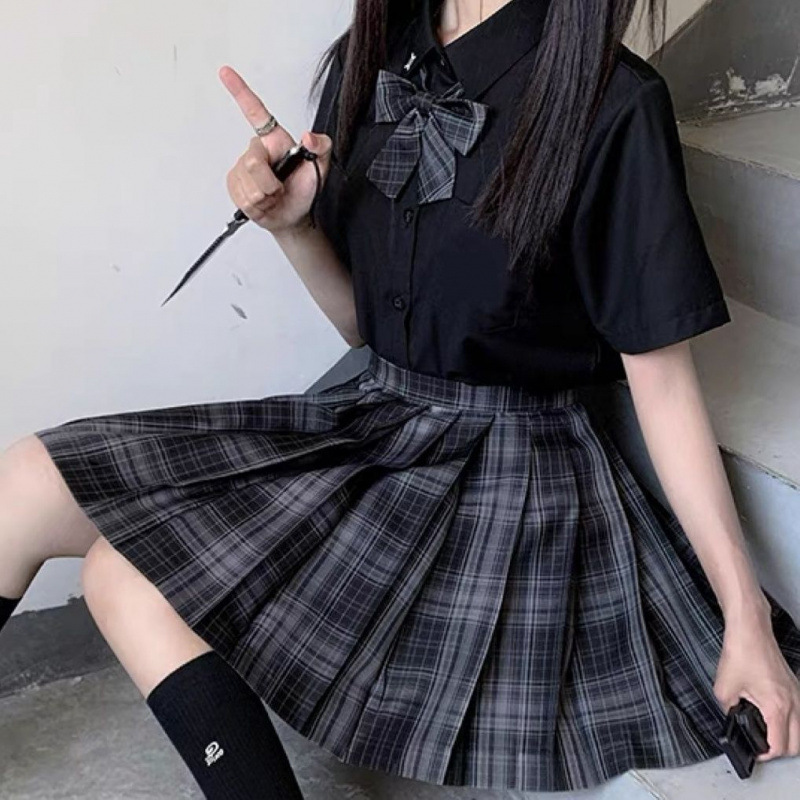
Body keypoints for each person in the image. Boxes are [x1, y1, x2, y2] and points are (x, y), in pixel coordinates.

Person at [2, 0, 800, 795]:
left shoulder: (613, 103)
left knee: (126, 577)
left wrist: (747, 619)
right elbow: (363, 326)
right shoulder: (373, 60)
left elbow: (664, 387)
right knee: (25, 480)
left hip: (510, 476)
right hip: (380, 420)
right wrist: (293, 227)